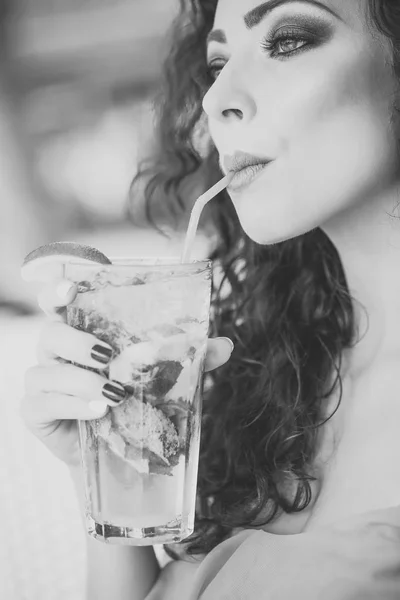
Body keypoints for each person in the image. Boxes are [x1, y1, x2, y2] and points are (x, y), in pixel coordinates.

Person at [20, 0, 400, 598]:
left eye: (289, 40)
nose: (215, 98)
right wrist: (102, 468)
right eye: (218, 64)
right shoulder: (260, 381)